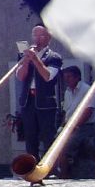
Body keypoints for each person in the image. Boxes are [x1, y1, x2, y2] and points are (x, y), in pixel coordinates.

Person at [15, 23, 63, 168]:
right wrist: (27, 60)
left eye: (41, 35)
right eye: (35, 35)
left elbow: (48, 76)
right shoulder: (23, 54)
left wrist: (36, 59)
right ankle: (32, 167)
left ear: (49, 38)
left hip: (46, 103)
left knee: (48, 137)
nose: (37, 38)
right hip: (28, 101)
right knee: (30, 137)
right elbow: (20, 76)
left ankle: (50, 168)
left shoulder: (54, 57)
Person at [57, 65, 95, 179]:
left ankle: (63, 175)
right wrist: (62, 126)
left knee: (64, 147)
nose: (67, 80)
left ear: (77, 78)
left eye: (69, 77)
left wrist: (74, 126)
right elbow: (66, 112)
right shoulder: (67, 92)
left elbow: (88, 111)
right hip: (69, 126)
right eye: (65, 78)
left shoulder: (87, 90)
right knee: (54, 142)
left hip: (84, 126)